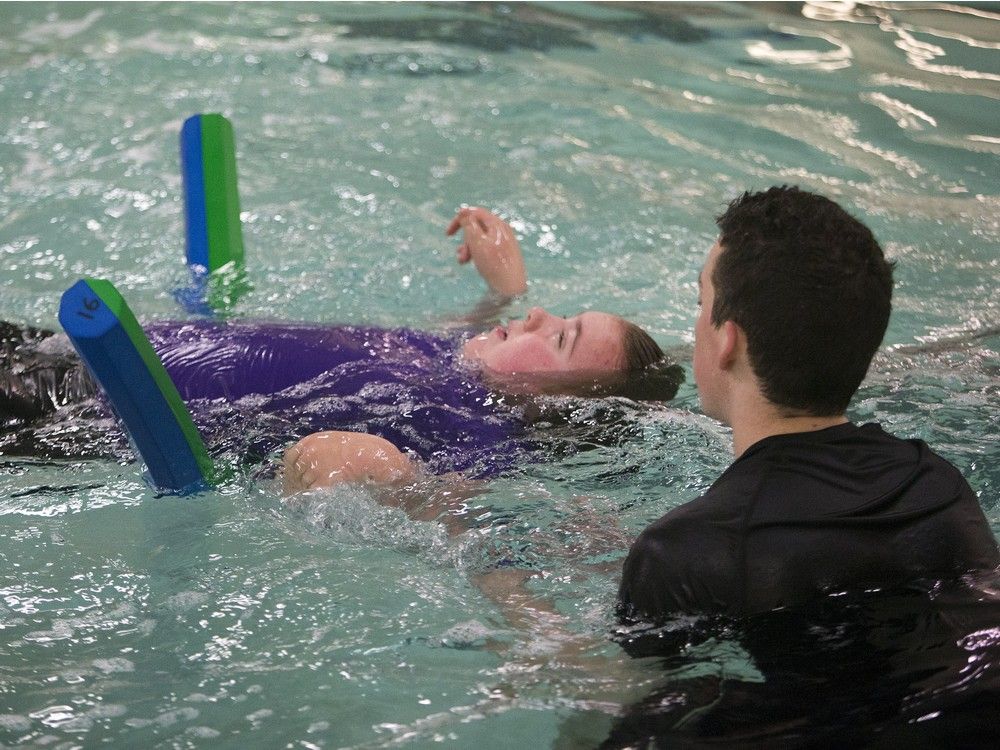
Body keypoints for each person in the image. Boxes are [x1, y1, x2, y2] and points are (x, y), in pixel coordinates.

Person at [1, 207, 680, 478]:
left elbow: (447, 518)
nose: (540, 315)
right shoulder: (455, 361)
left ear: (555, 402)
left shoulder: (472, 436)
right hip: (68, 350)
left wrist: (395, 483)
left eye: (560, 339)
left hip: (87, 412)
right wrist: (500, 292)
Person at [615, 185, 999, 626]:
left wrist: (520, 593)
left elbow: (629, 691)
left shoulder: (683, 553)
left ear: (727, 341)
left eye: (702, 303)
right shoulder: (938, 489)